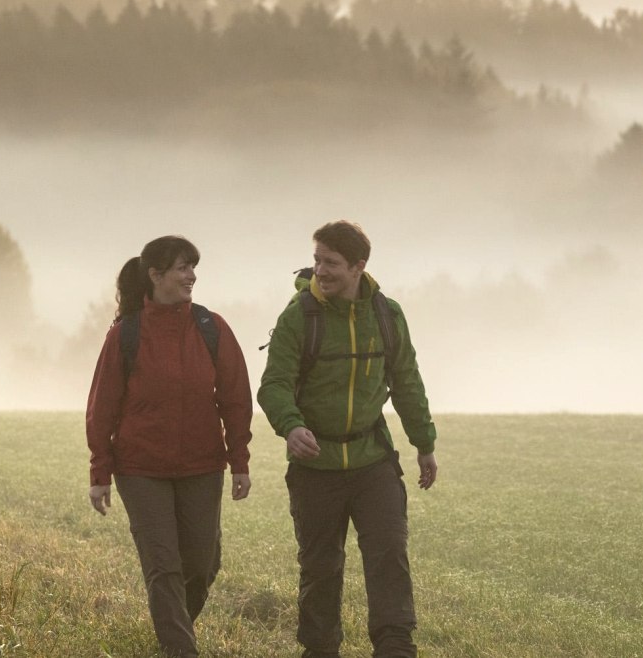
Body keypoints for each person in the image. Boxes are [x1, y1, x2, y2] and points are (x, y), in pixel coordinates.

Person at [259, 220, 438, 658]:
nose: (320, 269)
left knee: (389, 555)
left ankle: (395, 646)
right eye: (317, 259)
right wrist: (292, 425)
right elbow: (274, 384)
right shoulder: (300, 315)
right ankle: (320, 649)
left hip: (372, 459)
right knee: (320, 567)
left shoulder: (386, 314)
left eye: (331, 262)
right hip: (315, 465)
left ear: (359, 266)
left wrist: (424, 444)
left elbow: (407, 381)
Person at [85, 235, 253, 658]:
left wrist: (240, 462)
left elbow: (235, 398)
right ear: (155, 276)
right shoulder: (126, 334)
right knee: (164, 567)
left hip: (202, 466)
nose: (191, 276)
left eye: (193, 267)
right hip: (140, 470)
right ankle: (180, 649)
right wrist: (99, 473)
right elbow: (101, 407)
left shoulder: (210, 327)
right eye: (182, 268)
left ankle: (173, 629)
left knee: (200, 565)